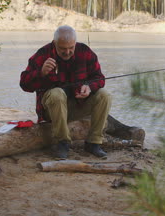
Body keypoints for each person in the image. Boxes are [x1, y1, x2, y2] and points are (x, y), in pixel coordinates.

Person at [20, 25, 112, 159]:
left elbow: (99, 78)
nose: (68, 52)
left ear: (75, 43)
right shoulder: (43, 54)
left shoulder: (84, 51)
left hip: (78, 107)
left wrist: (89, 87)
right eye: (63, 49)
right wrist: (41, 73)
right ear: (54, 43)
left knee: (104, 95)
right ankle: (62, 142)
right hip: (51, 110)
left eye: (71, 48)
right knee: (57, 93)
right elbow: (24, 84)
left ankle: (93, 143)